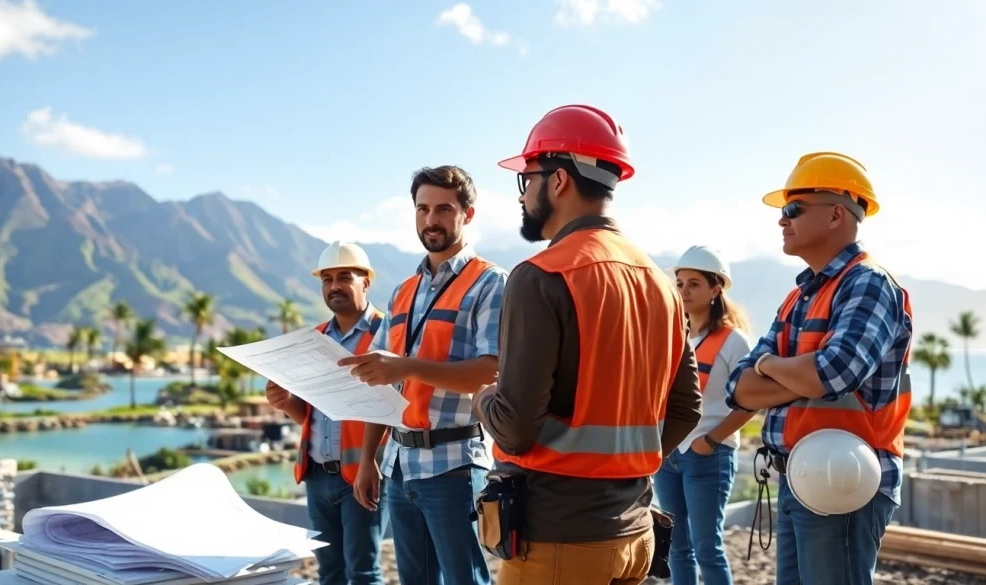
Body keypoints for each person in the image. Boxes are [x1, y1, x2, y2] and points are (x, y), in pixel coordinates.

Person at [472, 104, 703, 585]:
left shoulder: (541, 276)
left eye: (526, 179)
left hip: (558, 543)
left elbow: (513, 428)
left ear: (558, 181)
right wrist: (620, 468)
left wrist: (483, 400)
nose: (522, 196)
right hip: (634, 533)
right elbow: (686, 409)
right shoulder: (661, 284)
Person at [724, 152, 913, 585]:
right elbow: (739, 388)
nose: (781, 221)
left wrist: (769, 365)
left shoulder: (868, 283)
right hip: (799, 475)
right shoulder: (799, 296)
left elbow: (833, 375)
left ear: (836, 215)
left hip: (844, 477)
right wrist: (795, 374)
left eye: (793, 209)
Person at [339, 165, 507, 585]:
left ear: (467, 214)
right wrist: (367, 463)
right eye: (423, 209)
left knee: (464, 579)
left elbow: (491, 371)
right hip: (399, 466)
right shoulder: (403, 291)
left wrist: (408, 366)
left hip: (453, 467)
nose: (431, 219)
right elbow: (382, 380)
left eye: (444, 209)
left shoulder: (490, 283)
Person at [264, 240, 389, 585]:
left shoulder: (387, 334)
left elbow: (391, 411)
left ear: (366, 281)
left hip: (364, 474)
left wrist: (369, 464)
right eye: (327, 279)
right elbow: (312, 416)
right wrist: (286, 402)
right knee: (330, 573)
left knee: (363, 572)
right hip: (318, 476)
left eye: (344, 277)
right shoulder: (315, 339)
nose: (334, 286)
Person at [653, 245, 755, 585]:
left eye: (694, 283)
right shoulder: (672, 335)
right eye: (680, 283)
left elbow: (752, 401)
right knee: (677, 548)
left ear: (716, 289)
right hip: (668, 457)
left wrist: (710, 441)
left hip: (708, 457)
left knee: (707, 548)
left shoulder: (734, 341)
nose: (683, 290)